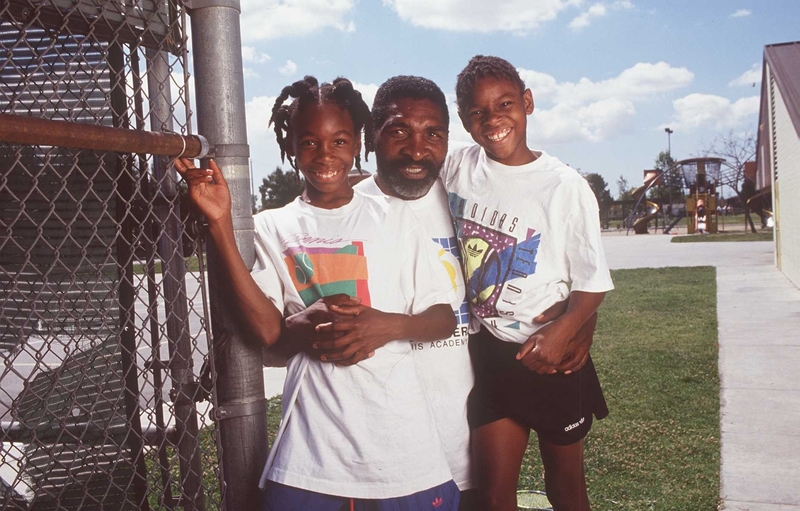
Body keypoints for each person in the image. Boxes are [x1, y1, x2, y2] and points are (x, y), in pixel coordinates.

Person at [176, 76, 460, 511]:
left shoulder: (397, 217)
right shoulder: (273, 227)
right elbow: (268, 332)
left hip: (403, 451)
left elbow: (443, 317)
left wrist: (385, 327)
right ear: (290, 146)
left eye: (339, 140)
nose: (325, 155)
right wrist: (220, 225)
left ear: (358, 142)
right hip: (312, 454)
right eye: (309, 142)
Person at [443, 56, 614, 511]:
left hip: (552, 358)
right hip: (490, 355)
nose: (493, 119)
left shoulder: (563, 186)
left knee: (565, 484)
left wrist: (566, 331)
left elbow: (592, 282)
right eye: (478, 112)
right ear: (464, 121)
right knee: (494, 494)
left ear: (528, 102)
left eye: (504, 104)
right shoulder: (457, 167)